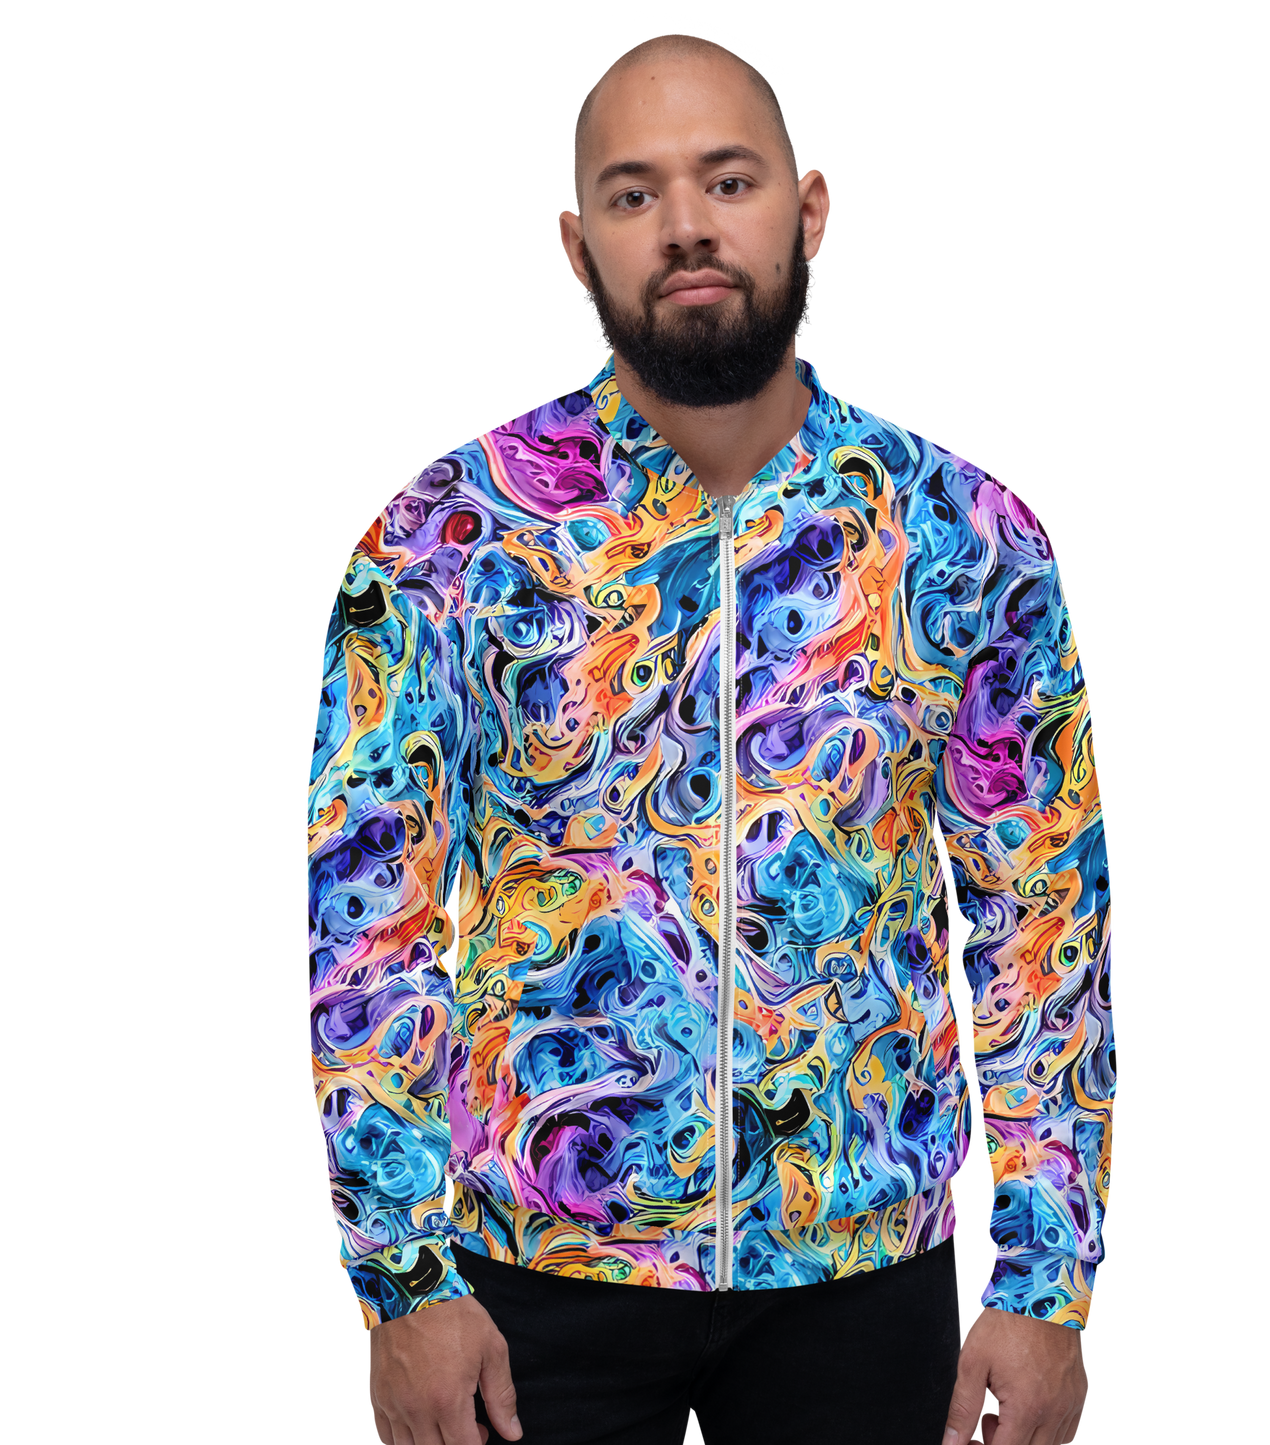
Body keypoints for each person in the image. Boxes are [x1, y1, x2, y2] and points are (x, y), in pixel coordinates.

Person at [305, 23, 1113, 1445]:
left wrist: (1047, 1286)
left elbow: (1039, 915)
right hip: (525, 1284)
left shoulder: (967, 533)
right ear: (577, 246)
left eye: (728, 180)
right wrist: (400, 1278)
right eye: (634, 194)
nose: (686, 226)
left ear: (810, 208)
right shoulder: (444, 533)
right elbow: (369, 922)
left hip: (868, 1284)